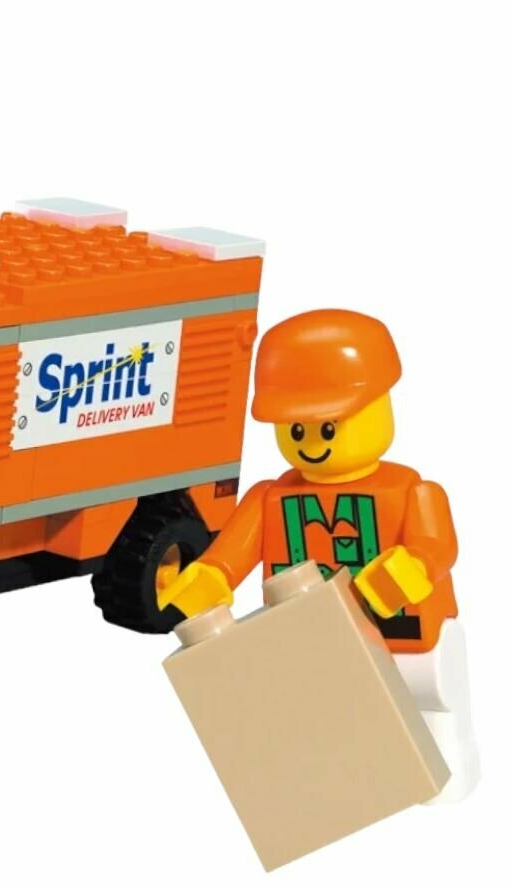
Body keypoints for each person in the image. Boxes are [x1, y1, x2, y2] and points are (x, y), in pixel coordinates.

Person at [162, 309, 479, 801]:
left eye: (327, 428)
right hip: (316, 647)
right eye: (297, 429)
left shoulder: (413, 492)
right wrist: (206, 582)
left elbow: (437, 545)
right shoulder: (270, 499)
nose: (311, 444)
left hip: (409, 642)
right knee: (329, 724)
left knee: (430, 709)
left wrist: (410, 568)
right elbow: (229, 557)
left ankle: (445, 781)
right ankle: (354, 791)